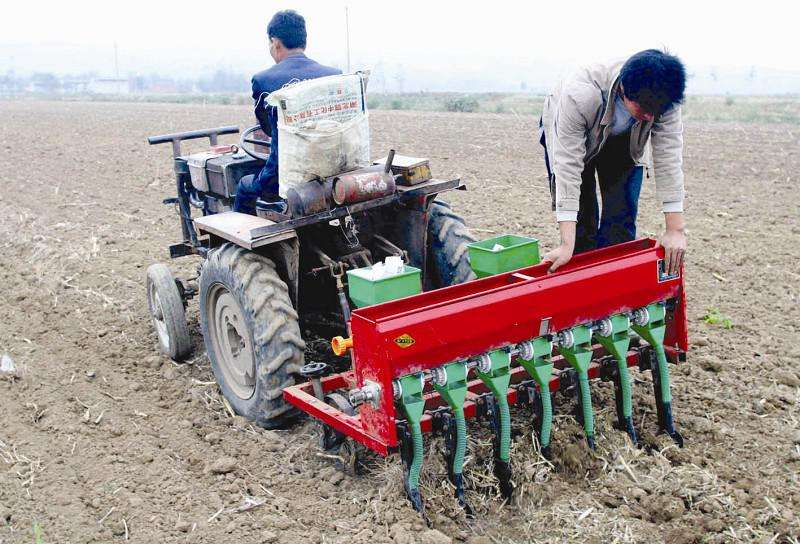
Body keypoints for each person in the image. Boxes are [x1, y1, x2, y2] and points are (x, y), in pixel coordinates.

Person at [539, 49, 687, 275]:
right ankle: (580, 290)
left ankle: (615, 293)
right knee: (583, 224)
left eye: (656, 112)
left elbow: (668, 155)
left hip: (625, 141)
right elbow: (567, 166)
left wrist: (675, 229)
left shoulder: (664, 98)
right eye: (645, 110)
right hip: (576, 135)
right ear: (625, 90)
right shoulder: (580, 95)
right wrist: (567, 245)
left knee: (621, 222)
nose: (650, 117)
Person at [234, 10, 341, 214]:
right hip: (332, 173)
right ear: (304, 40)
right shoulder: (333, 75)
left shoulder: (264, 80)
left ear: (275, 42)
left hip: (281, 179)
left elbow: (267, 128)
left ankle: (237, 241)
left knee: (245, 187)